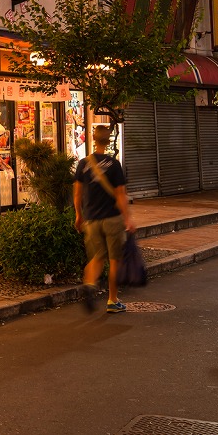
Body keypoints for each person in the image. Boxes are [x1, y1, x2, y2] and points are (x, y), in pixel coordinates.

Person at [73, 124, 136, 314]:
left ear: (93, 139)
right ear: (108, 141)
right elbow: (120, 195)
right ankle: (112, 300)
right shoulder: (114, 165)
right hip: (112, 219)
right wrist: (128, 219)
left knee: (96, 258)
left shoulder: (84, 164)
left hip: (91, 219)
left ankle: (89, 284)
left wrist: (78, 215)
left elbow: (77, 193)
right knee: (114, 260)